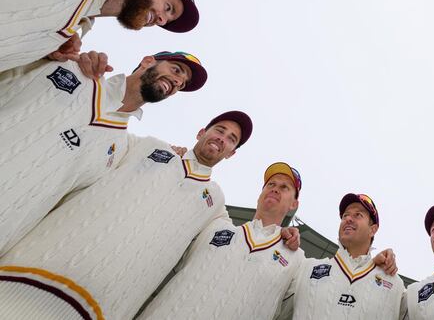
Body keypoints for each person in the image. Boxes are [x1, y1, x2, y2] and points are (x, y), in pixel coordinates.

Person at [0, 110, 252, 319]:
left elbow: (240, 246)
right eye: (219, 129)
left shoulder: (215, 202)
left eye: (231, 139)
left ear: (231, 153)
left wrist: (285, 236)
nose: (222, 138)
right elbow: (102, 133)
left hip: (97, 307)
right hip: (25, 274)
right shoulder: (148, 146)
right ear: (201, 132)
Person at [0, 50, 206, 256]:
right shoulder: (74, 71)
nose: (178, 81)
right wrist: (52, 48)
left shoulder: (120, 149)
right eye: (176, 70)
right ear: (147, 61)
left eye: (182, 84)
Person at [140, 162, 304, 319]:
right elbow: (182, 195)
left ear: (294, 204)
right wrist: (178, 160)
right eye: (271, 184)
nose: (275, 189)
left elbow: (288, 313)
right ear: (260, 194)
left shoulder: (297, 261)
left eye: (284, 187)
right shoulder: (215, 224)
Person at [0, 0, 199, 72]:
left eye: (166, 21)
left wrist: (46, 57)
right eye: (168, 7)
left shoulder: (68, 40)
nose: (162, 19)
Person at [285, 193, 403, 319]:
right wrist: (279, 240)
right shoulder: (306, 268)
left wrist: (372, 267)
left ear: (372, 230)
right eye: (345, 215)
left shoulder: (394, 285)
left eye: (358, 215)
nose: (348, 219)